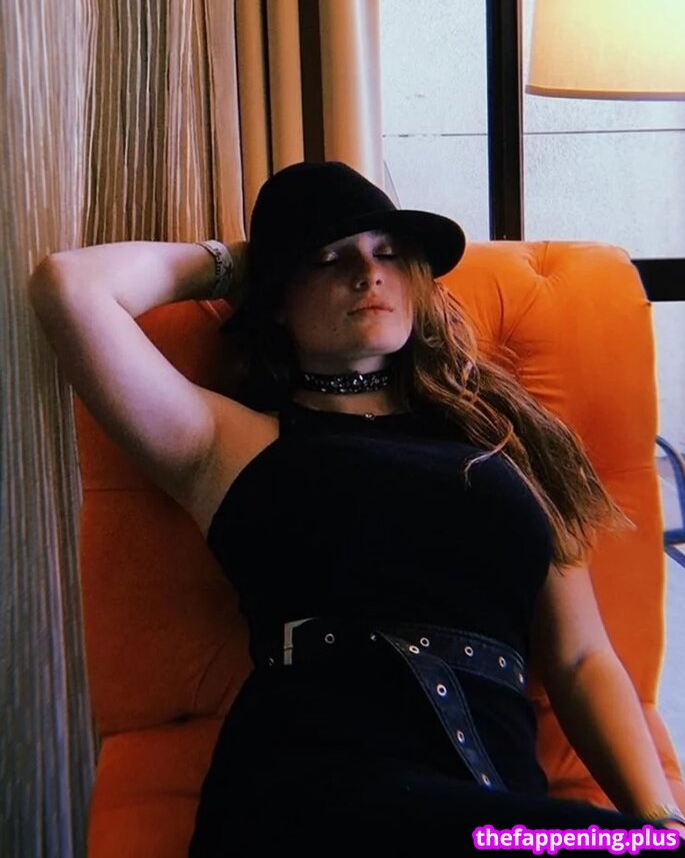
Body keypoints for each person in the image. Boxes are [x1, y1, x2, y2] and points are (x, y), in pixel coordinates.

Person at [29, 161, 684, 853]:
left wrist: (662, 822)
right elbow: (70, 287)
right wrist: (239, 265)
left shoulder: (506, 442)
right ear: (275, 298)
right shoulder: (230, 443)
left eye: (388, 253)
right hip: (315, 788)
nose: (368, 274)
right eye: (328, 257)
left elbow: (581, 659)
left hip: (495, 807)